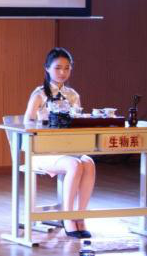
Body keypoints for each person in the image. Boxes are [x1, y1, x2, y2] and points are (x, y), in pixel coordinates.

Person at [23, 47, 96, 239]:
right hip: (41, 152)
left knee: (89, 163)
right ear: (47, 68)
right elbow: (27, 125)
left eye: (67, 68)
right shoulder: (39, 94)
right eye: (57, 68)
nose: (62, 72)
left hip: (67, 149)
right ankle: (67, 217)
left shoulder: (73, 95)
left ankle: (80, 216)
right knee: (75, 164)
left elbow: (77, 123)